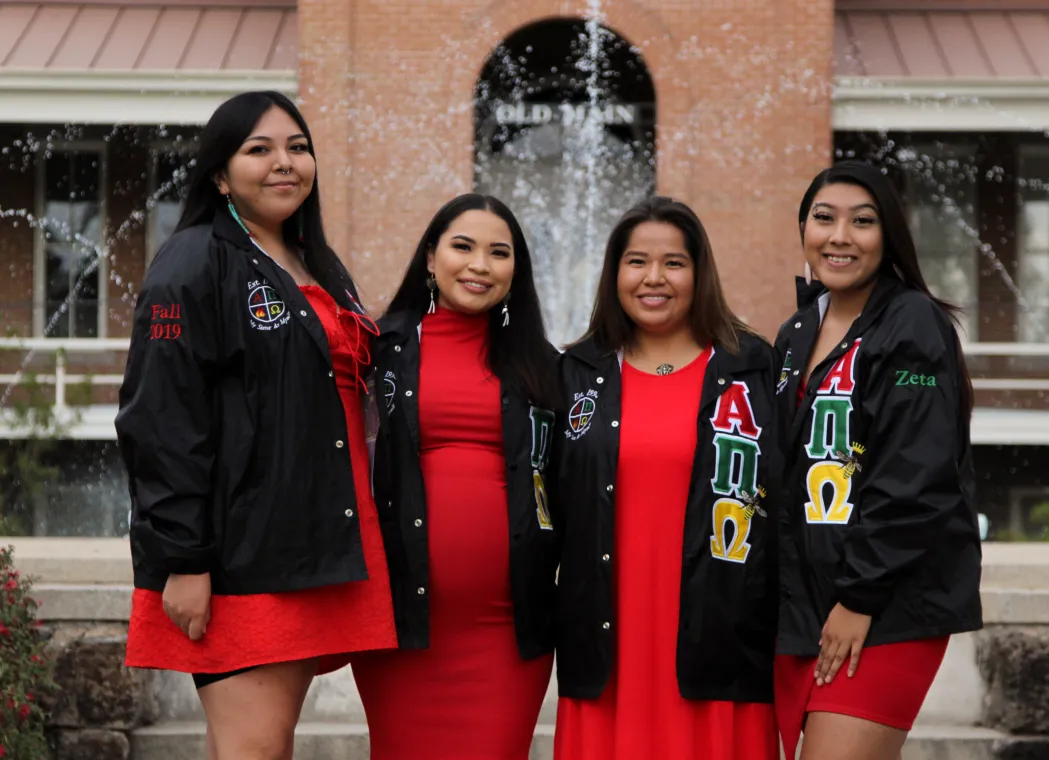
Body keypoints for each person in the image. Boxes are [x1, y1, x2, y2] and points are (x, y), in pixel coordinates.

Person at [116, 90, 397, 759]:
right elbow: (161, 417)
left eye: (298, 148)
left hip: (315, 542)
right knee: (255, 749)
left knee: (252, 747)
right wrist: (182, 559)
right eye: (259, 149)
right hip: (245, 554)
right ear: (219, 173)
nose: (285, 163)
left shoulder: (312, 262)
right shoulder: (193, 261)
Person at [551, 196, 782, 760]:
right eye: (636, 262)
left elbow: (784, 502)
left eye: (674, 263)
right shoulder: (578, 370)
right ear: (614, 274)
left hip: (721, 631)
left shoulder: (750, 366)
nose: (654, 278)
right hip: (610, 637)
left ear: (699, 274)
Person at [772, 160, 982, 760]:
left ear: (888, 234)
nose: (840, 236)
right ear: (804, 229)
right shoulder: (795, 332)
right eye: (824, 218)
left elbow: (917, 474)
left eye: (862, 221)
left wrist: (860, 598)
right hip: (808, 607)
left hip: (884, 608)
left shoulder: (911, 322)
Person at [348, 193, 562, 760]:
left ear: (516, 272)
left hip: (509, 629)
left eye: (499, 253)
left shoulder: (546, 365)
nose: (479, 265)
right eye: (462, 247)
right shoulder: (376, 350)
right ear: (429, 257)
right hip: (401, 621)